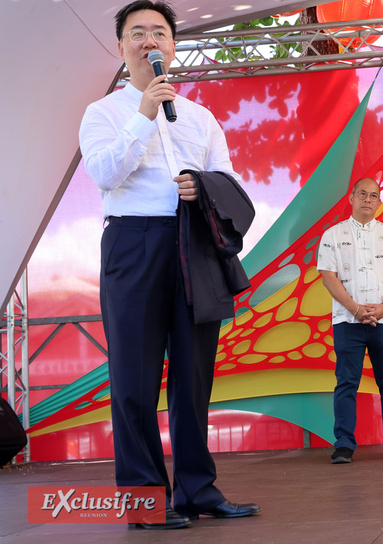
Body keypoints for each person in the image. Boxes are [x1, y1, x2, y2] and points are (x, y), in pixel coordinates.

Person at [78, 1, 260, 530]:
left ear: (173, 46)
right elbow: (106, 175)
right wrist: (144, 116)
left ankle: (197, 490)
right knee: (134, 378)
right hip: (133, 244)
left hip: (192, 244)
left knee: (193, 375)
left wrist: (200, 187)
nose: (150, 40)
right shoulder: (103, 113)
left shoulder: (201, 117)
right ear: (121, 47)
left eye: (160, 32)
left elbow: (230, 184)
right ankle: (143, 500)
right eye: (138, 33)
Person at [317, 178, 383, 464]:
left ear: (379, 202)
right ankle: (344, 444)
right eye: (363, 194)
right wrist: (355, 309)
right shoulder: (333, 235)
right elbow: (328, 276)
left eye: (374, 196)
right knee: (346, 382)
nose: (368, 200)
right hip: (347, 321)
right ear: (351, 197)